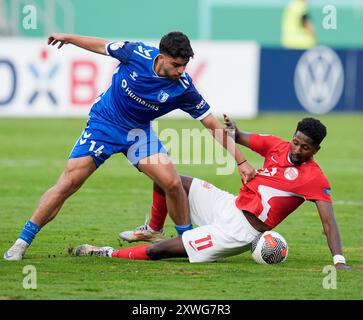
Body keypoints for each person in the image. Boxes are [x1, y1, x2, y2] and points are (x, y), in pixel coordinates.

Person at [4, 32, 255, 261]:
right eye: (176, 65)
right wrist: (69, 38)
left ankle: (184, 242)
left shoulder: (183, 88)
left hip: (138, 133)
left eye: (185, 65)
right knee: (69, 182)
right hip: (105, 123)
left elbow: (211, 123)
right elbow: (101, 46)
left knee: (172, 182)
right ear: (161, 57)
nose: (181, 71)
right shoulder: (135, 53)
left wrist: (241, 161)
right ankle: (21, 242)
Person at [75, 115, 350, 270]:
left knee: (161, 252)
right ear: (293, 137)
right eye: (296, 142)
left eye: (305, 147)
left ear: (316, 150)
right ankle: (153, 227)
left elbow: (329, 223)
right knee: (167, 179)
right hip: (227, 205)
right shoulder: (278, 146)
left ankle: (105, 253)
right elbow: (240, 137)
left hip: (238, 232)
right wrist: (233, 131)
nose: (297, 149)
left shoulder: (315, 179)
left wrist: (338, 260)